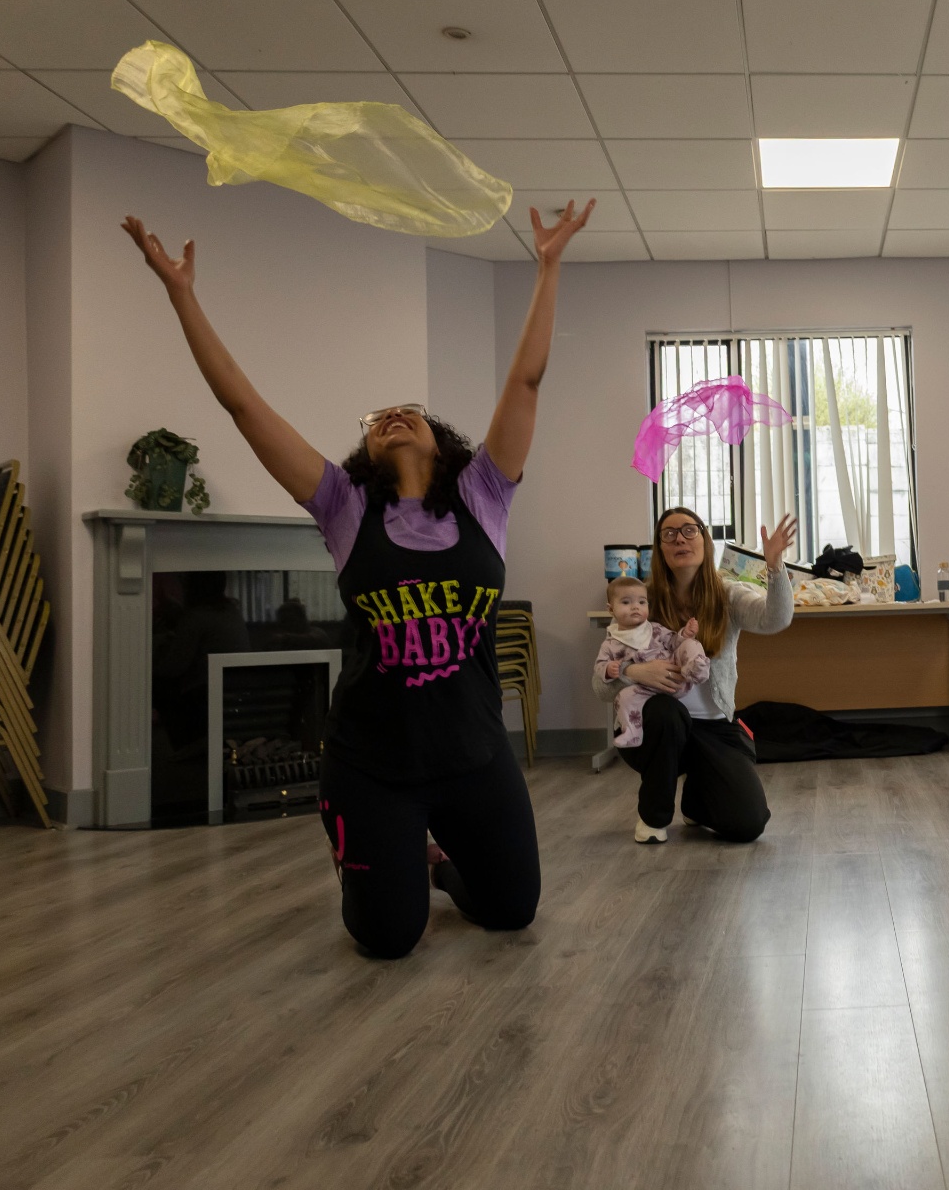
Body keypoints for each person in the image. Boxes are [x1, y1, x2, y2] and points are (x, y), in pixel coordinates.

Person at [122, 197, 595, 960]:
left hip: (475, 755)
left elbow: (529, 381)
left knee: (511, 912)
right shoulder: (343, 510)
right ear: (364, 454)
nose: (392, 418)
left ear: (444, 445)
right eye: (379, 418)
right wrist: (182, 295)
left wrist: (548, 266)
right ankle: (386, 854)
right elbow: (242, 405)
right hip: (374, 766)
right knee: (386, 938)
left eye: (410, 413)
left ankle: (437, 867)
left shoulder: (485, 496)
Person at [598, 506, 797, 844]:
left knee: (749, 823)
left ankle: (697, 799)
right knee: (667, 712)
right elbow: (600, 687)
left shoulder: (728, 594)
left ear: (705, 540)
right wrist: (635, 671)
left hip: (713, 727)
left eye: (689, 530)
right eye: (669, 533)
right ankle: (652, 818)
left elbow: (774, 619)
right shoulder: (639, 600)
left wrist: (775, 567)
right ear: (660, 548)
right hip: (654, 729)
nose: (680, 539)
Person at [594, 576, 709, 748]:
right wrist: (609, 669)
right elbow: (599, 665)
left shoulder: (654, 629)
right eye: (626, 602)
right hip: (644, 689)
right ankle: (632, 732)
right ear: (611, 610)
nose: (635, 607)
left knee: (691, 644)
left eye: (642, 602)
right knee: (624, 696)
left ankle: (696, 669)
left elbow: (672, 643)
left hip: (677, 678)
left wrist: (685, 633)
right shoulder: (611, 643)